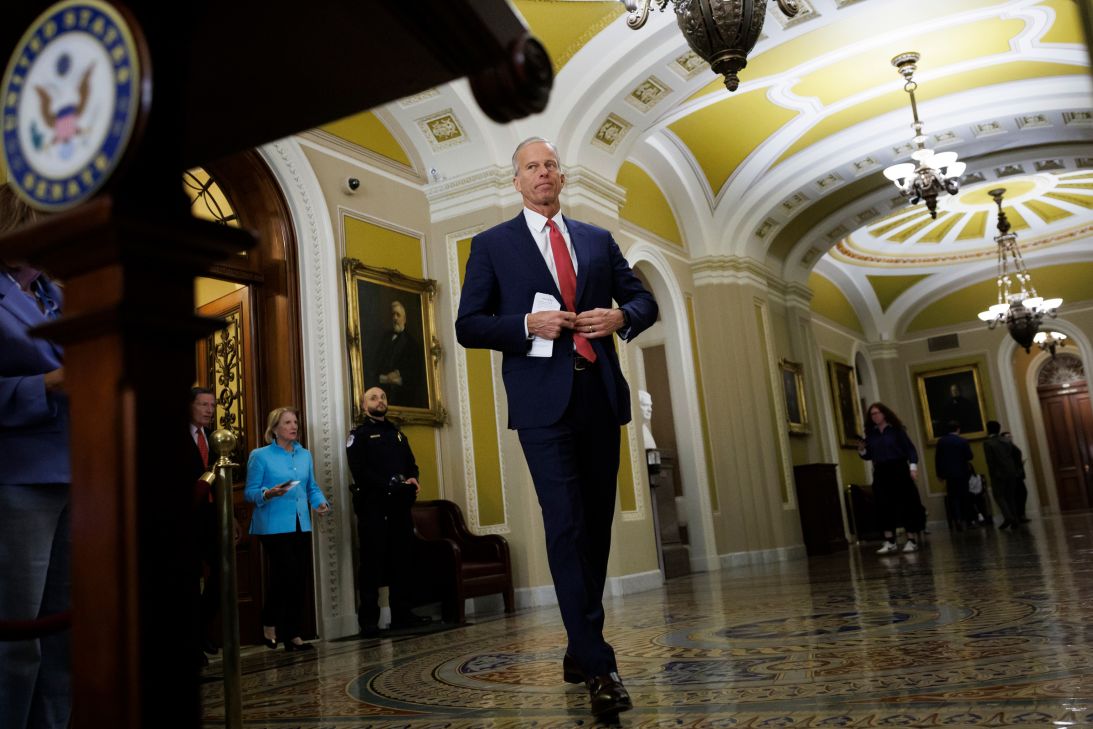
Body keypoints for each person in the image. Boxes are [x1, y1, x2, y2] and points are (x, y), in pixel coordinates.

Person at [455, 137, 657, 720]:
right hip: (542, 405)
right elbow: (470, 325)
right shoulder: (492, 245)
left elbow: (644, 302)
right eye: (531, 167)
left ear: (561, 177)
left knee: (594, 527)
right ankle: (599, 663)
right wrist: (526, 323)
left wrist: (620, 316)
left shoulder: (597, 240)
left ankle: (578, 645)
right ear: (516, 180)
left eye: (549, 165)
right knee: (565, 525)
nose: (542, 173)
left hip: (598, 395)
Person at [0, 183, 71, 729]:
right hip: (18, 477)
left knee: (63, 636)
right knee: (15, 637)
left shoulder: (62, 294)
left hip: (78, 473)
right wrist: (48, 384)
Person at [346, 386, 430, 637]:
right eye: (373, 397)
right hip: (373, 507)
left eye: (382, 397)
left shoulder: (397, 434)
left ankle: (402, 613)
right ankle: (369, 620)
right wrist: (389, 485)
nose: (379, 400)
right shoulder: (358, 435)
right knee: (372, 562)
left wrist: (413, 478)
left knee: (402, 560)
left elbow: (411, 464)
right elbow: (360, 471)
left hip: (399, 507)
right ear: (363, 406)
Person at [245, 406, 330, 651]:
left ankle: (292, 634)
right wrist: (268, 493)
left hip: (300, 524)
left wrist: (320, 503)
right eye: (287, 423)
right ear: (274, 429)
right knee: (285, 573)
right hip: (271, 526)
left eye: (295, 422)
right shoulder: (260, 455)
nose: (294, 426)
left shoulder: (305, 455)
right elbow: (250, 492)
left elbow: (311, 487)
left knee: (298, 577)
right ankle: (269, 622)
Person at [858, 402, 926, 554]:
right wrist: (862, 450)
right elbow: (869, 455)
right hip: (881, 471)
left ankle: (911, 539)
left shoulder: (896, 430)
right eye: (872, 414)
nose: (874, 416)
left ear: (884, 414)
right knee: (883, 505)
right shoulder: (871, 434)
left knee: (906, 504)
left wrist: (913, 467)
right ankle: (890, 541)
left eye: (877, 413)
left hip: (899, 468)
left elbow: (910, 449)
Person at [188, 387, 218, 666]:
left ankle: (200, 627)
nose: (209, 410)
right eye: (203, 405)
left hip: (210, 514)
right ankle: (191, 641)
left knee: (221, 573)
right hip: (186, 518)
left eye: (212, 405)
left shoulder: (214, 438)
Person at [366, 300, 425, 409]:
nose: (395, 318)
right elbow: (375, 365)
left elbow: (415, 373)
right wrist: (383, 378)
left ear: (405, 319)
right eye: (393, 314)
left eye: (398, 315)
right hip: (380, 393)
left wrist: (398, 373)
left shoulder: (412, 344)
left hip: (402, 397)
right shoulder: (384, 339)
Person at [934, 420, 974, 531]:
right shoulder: (962, 441)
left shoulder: (941, 442)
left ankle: (957, 520)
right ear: (958, 429)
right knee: (965, 496)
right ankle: (968, 520)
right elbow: (970, 456)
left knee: (953, 498)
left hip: (949, 475)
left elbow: (938, 459)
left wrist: (939, 474)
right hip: (962, 473)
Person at [983, 420, 1021, 529]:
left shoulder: (988, 443)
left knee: (999, 496)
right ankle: (1015, 519)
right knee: (1010, 496)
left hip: (998, 473)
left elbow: (990, 461)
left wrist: (992, 474)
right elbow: (1018, 452)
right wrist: (1017, 467)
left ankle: (1008, 517)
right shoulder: (1006, 440)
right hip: (1011, 471)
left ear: (988, 429)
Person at [1001, 431, 1030, 523]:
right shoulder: (1005, 448)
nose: (1010, 438)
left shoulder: (1012, 447)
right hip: (1013, 475)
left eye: (1010, 437)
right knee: (1018, 494)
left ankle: (1021, 514)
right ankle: (1018, 515)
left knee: (1022, 494)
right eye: (1007, 437)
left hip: (1018, 474)